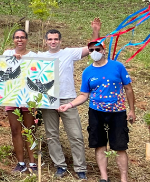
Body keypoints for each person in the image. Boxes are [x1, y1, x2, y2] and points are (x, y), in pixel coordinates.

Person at [31, 19, 101, 179]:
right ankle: (60, 166)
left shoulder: (69, 52)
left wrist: (95, 31)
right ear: (45, 41)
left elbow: (93, 49)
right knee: (52, 135)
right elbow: (20, 61)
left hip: (68, 99)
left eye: (56, 39)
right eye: (50, 39)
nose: (53, 41)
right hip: (48, 100)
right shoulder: (39, 56)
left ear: (60, 41)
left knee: (75, 135)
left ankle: (80, 168)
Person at [58, 39, 136, 182]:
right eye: (91, 50)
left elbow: (128, 89)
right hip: (96, 112)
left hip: (117, 112)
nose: (94, 52)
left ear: (104, 51)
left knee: (120, 146)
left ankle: (123, 178)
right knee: (99, 144)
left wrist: (131, 110)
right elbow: (84, 95)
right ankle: (103, 177)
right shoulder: (87, 72)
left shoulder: (117, 66)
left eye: (97, 49)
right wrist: (69, 105)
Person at [2, 29, 38, 174]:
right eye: (17, 37)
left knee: (30, 130)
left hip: (29, 98)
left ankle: (33, 163)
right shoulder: (7, 54)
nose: (20, 40)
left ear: (27, 40)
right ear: (13, 40)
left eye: (22, 37)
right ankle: (21, 163)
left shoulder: (34, 56)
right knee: (15, 130)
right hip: (12, 97)